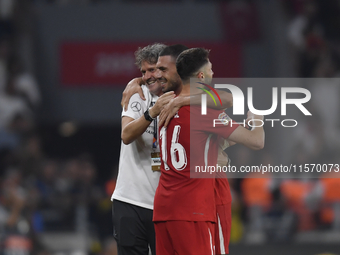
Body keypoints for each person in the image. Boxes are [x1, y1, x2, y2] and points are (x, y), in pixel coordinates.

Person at [153, 47, 265, 254]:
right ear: (201, 76)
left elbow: (196, 142)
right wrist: (258, 121)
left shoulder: (165, 105)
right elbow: (257, 142)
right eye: (211, 70)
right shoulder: (203, 111)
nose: (214, 74)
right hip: (192, 208)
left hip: (163, 209)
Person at [111, 43, 175, 255]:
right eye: (143, 72)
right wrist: (152, 112)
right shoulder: (138, 95)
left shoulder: (180, 99)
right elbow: (126, 135)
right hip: (129, 200)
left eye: (153, 69)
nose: (147, 76)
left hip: (165, 205)